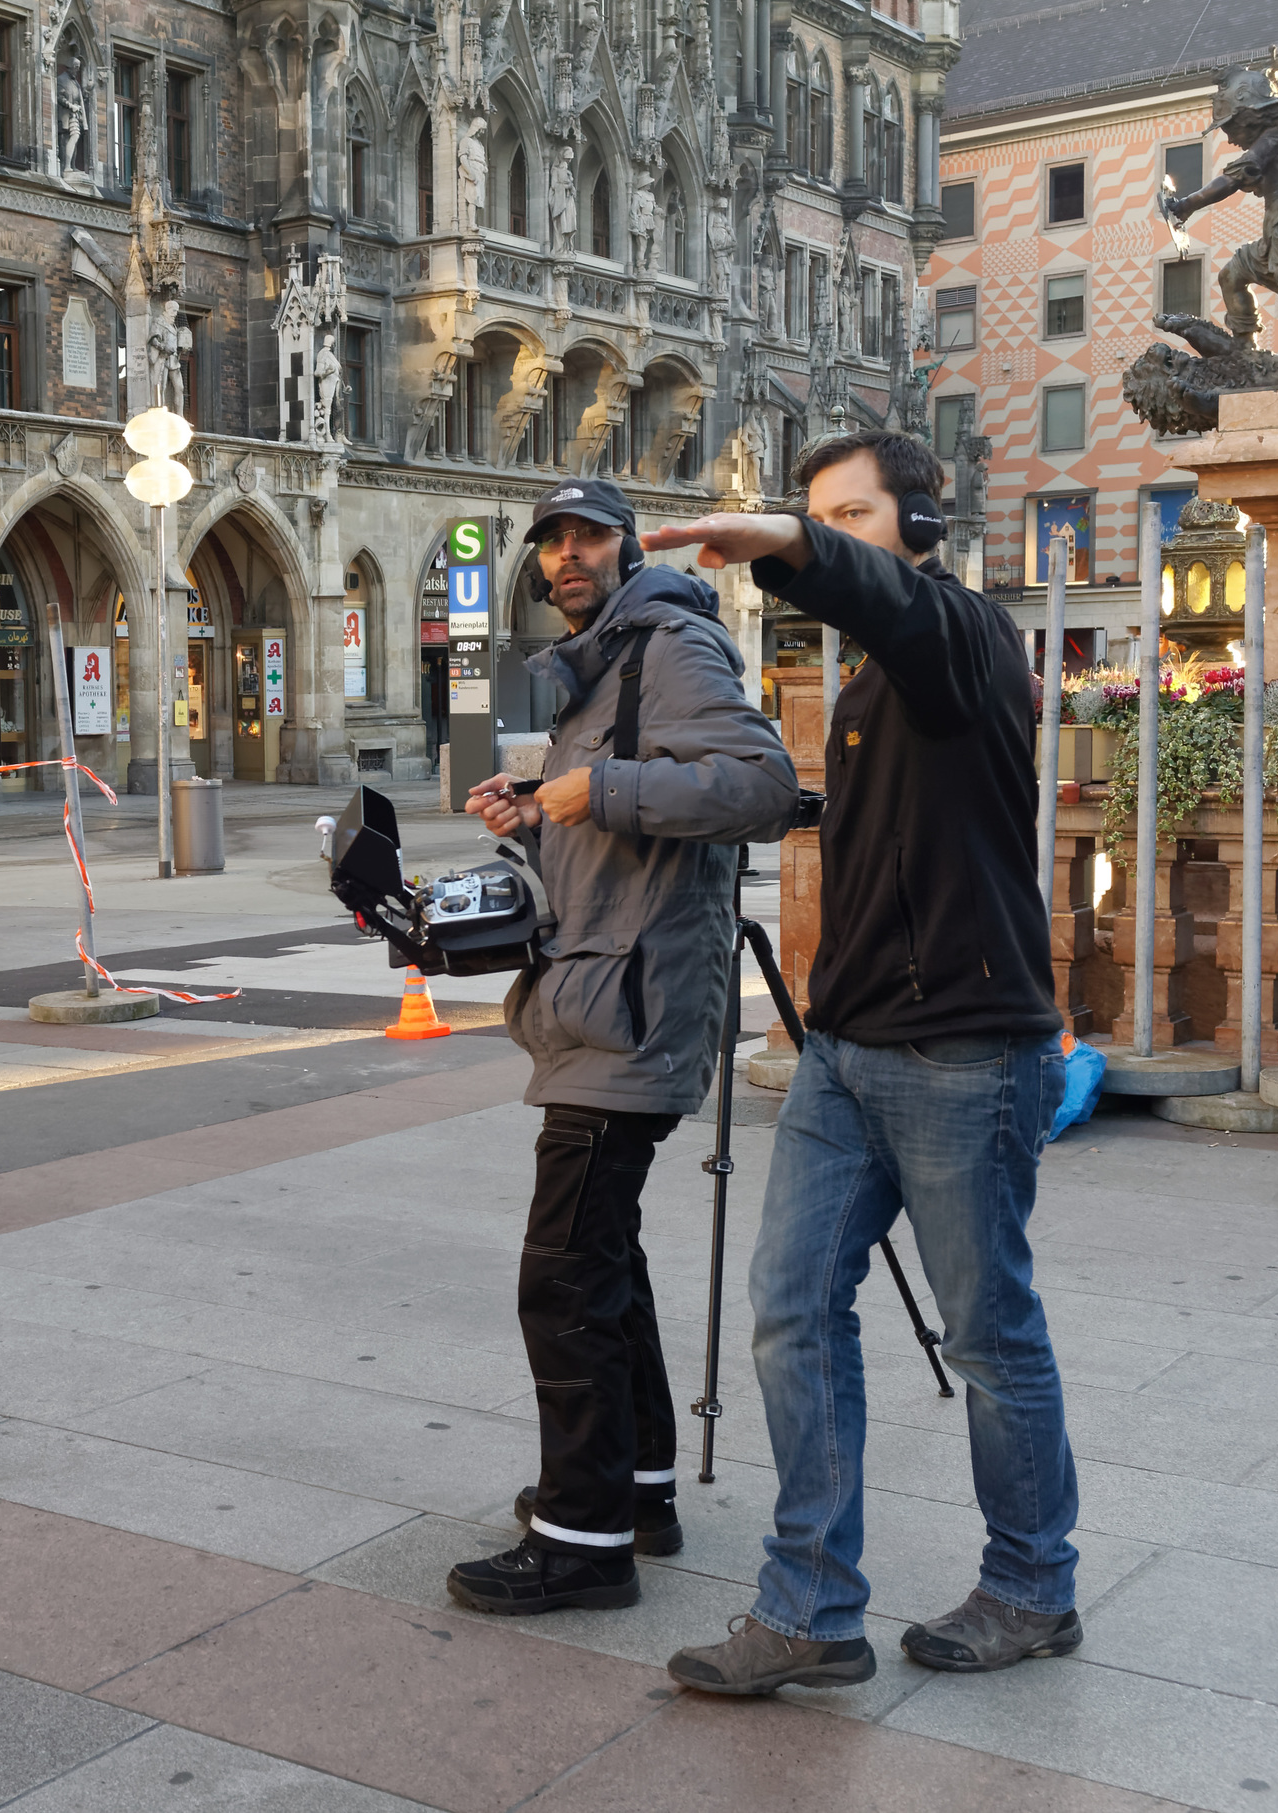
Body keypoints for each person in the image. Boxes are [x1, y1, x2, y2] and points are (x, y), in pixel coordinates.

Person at [644, 430, 1079, 1694]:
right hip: (844, 1047)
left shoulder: (958, 637)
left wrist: (784, 544)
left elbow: (877, 596)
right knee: (790, 1311)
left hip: (965, 1047)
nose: (828, 531)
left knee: (988, 1335)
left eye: (850, 515)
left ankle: (1031, 1588)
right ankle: (811, 1610)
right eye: (814, 512)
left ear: (920, 527)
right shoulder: (867, 689)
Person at [447, 476, 798, 1617]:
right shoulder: (604, 662)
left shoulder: (671, 645)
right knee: (603, 1261)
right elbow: (612, 842)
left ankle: (581, 1538)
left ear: (626, 544)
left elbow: (759, 786)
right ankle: (636, 1489)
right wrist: (539, 812)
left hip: (634, 1014)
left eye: (586, 534)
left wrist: (599, 788)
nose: (564, 555)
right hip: (603, 998)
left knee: (563, 1277)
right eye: (549, 539)